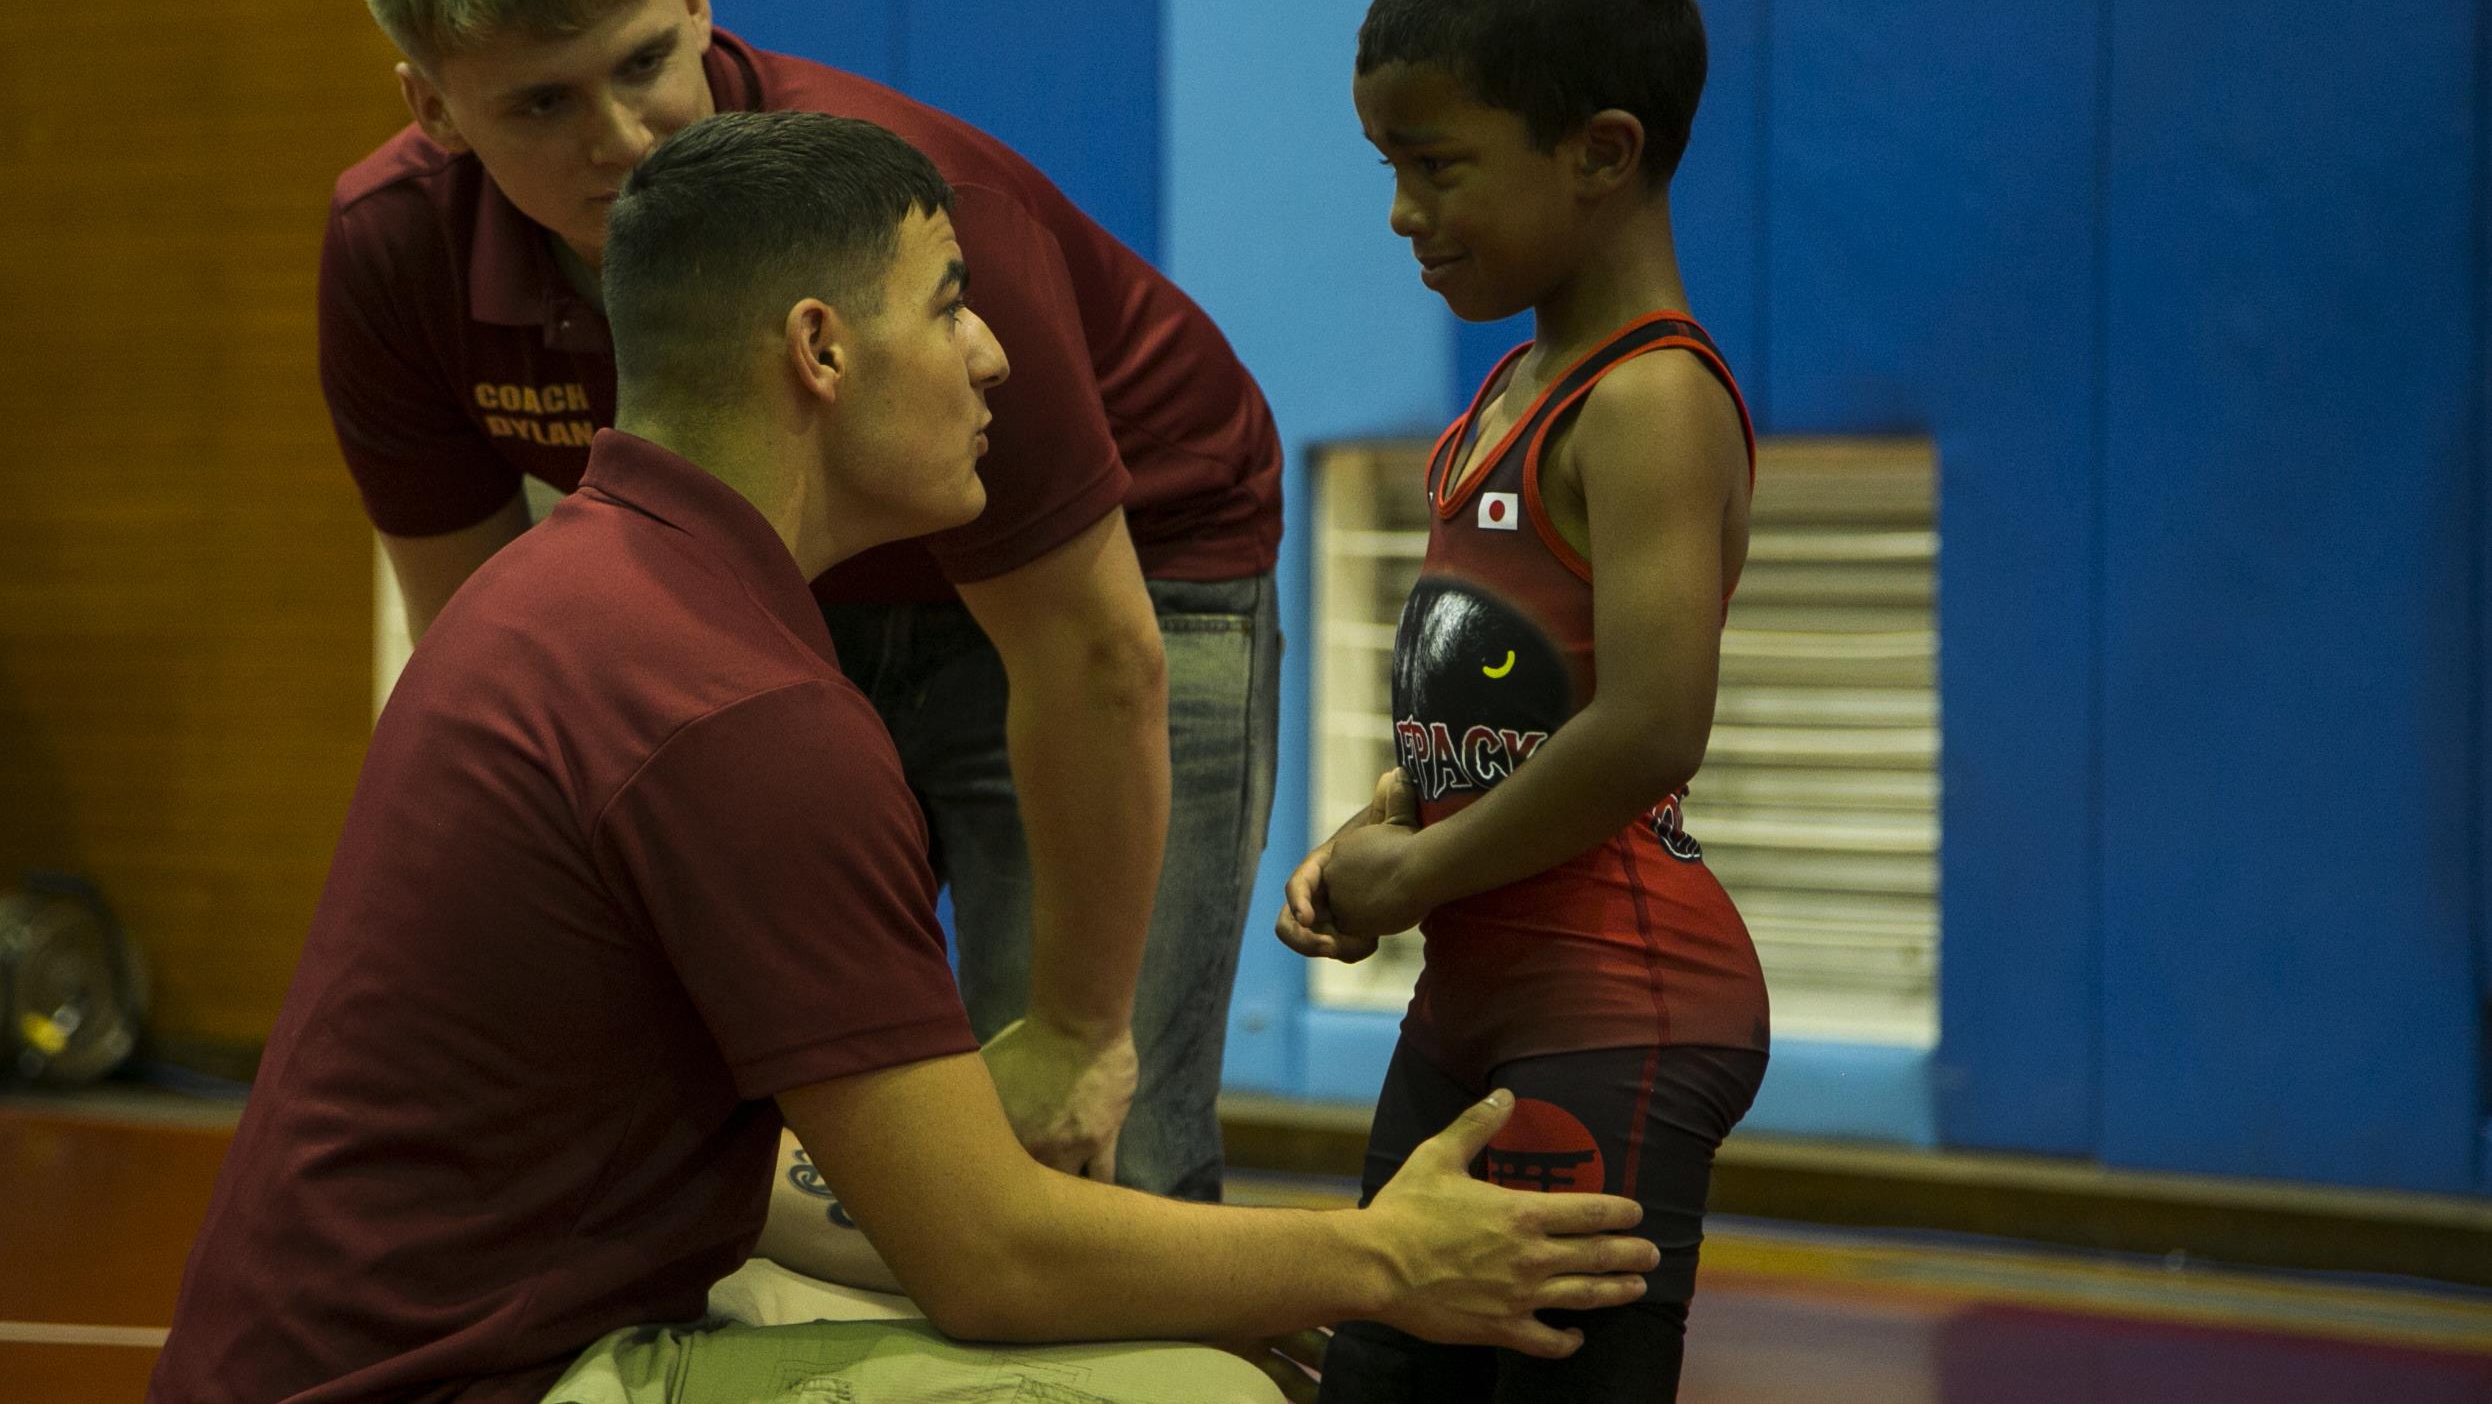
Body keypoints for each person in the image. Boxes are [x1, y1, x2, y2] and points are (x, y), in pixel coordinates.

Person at [146, 111, 1661, 1404]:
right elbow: (988, 1253)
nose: (995, 351)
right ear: (819, 349)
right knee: (1203, 1393)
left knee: (1159, 1319)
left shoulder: (578, 592)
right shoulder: (739, 709)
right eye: (950, 303)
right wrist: (1382, 1254)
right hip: (476, 1376)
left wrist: (1231, 1274)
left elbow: (834, 1206)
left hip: (375, 1348)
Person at [322, 0, 1279, 1202]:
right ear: (432, 106)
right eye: (539, 102)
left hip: (1113, 571)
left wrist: (1081, 1026)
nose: (625, 140)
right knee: (749, 1135)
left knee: (1092, 1152)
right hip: (788, 602)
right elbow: (491, 659)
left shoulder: (911, 208)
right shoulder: (395, 252)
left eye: (646, 61)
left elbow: (1092, 656)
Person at [1276, 0, 1773, 1402]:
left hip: (1615, 1002)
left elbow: (1647, 727)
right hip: (1484, 995)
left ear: (1603, 153)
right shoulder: (1508, 391)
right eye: (1391, 171)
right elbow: (1497, 701)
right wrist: (1384, 825)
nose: (1404, 214)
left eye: (1438, 168)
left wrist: (1420, 875)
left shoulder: (1649, 399)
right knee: (1376, 1370)